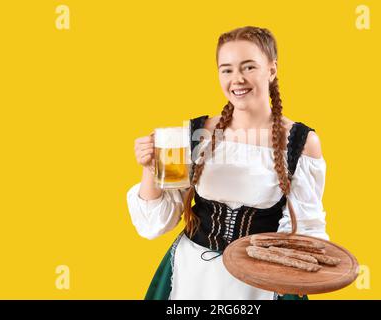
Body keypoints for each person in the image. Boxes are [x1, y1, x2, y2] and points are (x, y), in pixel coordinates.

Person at [127, 26, 329, 300]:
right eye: (227, 69)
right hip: (193, 275)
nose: (237, 79)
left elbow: (306, 228)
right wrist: (149, 168)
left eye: (248, 67)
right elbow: (156, 225)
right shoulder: (196, 133)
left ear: (271, 69)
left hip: (261, 283)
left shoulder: (301, 142)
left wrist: (291, 276)